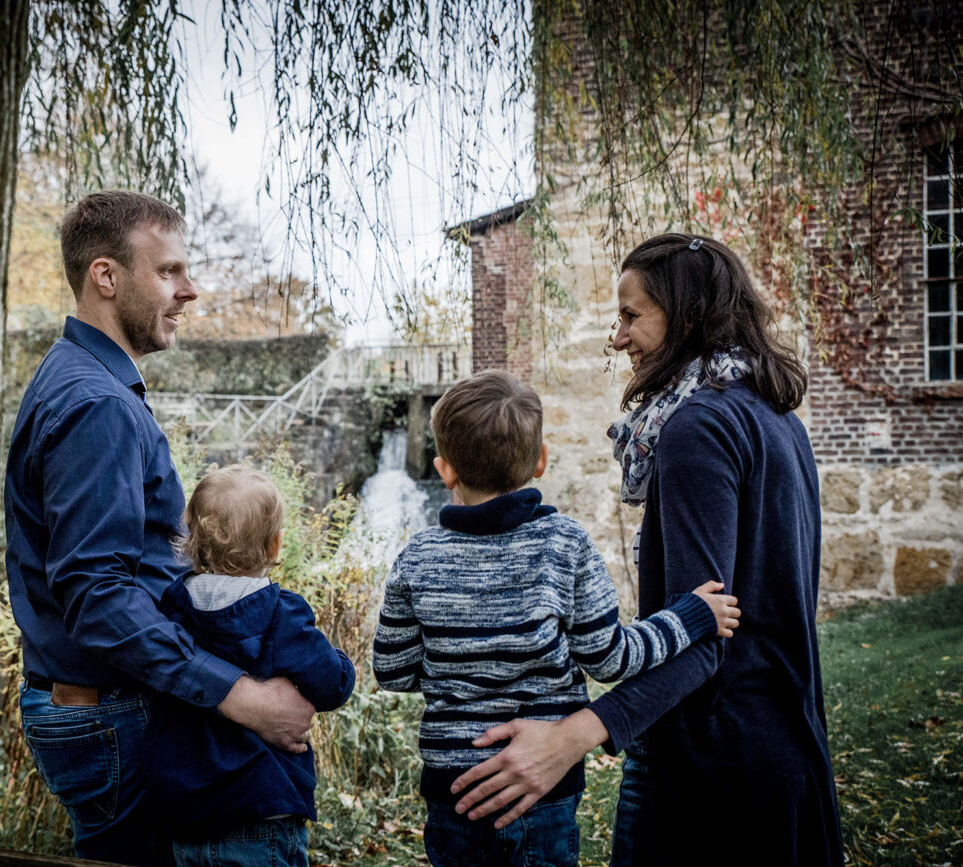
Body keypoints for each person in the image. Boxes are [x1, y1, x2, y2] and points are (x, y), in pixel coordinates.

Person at [449, 234, 843, 866]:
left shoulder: (696, 429)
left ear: (686, 315)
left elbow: (704, 633)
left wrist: (571, 737)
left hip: (712, 767)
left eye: (631, 316)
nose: (617, 337)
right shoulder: (777, 420)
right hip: (784, 745)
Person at [3, 191, 316, 866]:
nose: (190, 290)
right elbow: (97, 593)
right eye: (169, 270)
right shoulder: (97, 403)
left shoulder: (85, 382)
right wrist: (239, 695)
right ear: (106, 276)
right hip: (112, 713)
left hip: (102, 707)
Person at [372, 369, 740, 867]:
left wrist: (456, 662)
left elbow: (392, 671)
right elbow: (610, 659)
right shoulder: (567, 544)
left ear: (445, 470)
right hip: (543, 794)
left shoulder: (416, 557)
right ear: (541, 461)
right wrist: (691, 617)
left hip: (452, 791)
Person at [147, 464, 356, 866]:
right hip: (260, 809)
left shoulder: (172, 606)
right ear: (275, 546)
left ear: (192, 541)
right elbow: (332, 685)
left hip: (184, 815)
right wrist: (343, 662)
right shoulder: (282, 614)